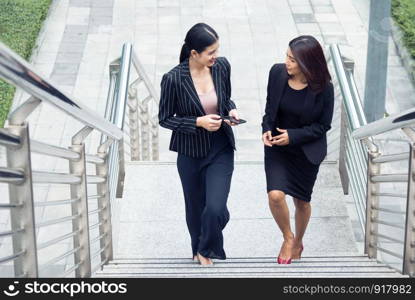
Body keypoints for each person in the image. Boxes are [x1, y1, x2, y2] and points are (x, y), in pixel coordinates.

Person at [158, 23, 240, 266]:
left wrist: (231, 110)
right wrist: (198, 122)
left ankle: (206, 244)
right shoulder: (173, 78)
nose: (216, 56)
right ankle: (199, 250)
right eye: (210, 52)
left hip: (221, 147)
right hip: (190, 152)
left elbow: (225, 97)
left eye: (217, 50)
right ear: (194, 53)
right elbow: (165, 118)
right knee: (196, 207)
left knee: (215, 208)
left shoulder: (222, 66)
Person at [261, 35, 334, 264]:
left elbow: (323, 126)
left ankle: (299, 240)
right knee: (275, 196)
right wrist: (265, 128)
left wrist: (293, 136)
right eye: (287, 56)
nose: (287, 63)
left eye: (293, 60)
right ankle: (288, 237)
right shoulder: (277, 73)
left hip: (305, 151)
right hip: (277, 149)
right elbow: (269, 107)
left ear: (307, 64)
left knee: (301, 202)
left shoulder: (324, 89)